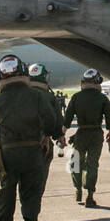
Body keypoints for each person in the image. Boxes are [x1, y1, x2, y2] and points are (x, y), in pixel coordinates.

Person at [0, 53, 61, 221]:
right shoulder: (37, 96)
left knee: (7, 193)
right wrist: (47, 135)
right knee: (31, 192)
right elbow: (51, 120)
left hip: (7, 153)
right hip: (33, 151)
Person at [64, 68, 110, 207]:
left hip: (80, 134)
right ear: (97, 81)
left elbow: (67, 119)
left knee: (75, 163)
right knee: (92, 164)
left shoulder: (76, 97)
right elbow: (109, 120)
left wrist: (62, 135)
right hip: (96, 134)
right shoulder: (102, 98)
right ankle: (90, 196)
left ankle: (77, 190)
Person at [28, 63, 65, 192]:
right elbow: (56, 120)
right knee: (39, 179)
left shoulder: (19, 95)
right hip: (42, 142)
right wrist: (58, 137)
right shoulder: (49, 97)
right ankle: (33, 204)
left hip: (17, 143)